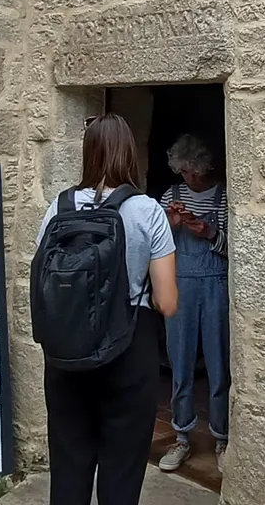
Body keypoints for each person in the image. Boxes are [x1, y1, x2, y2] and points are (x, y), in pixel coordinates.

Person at [35, 114, 178, 505]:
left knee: (68, 465)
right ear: (128, 153)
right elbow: (167, 302)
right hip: (128, 348)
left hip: (65, 354)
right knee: (122, 467)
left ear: (88, 153)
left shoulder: (58, 208)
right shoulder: (147, 211)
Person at [156, 134, 229, 474]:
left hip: (215, 283)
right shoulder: (170, 195)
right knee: (180, 363)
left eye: (194, 172)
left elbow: (234, 248)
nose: (189, 178)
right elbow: (154, 244)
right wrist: (171, 225)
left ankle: (222, 437)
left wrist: (210, 233)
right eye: (184, 172)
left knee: (219, 366)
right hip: (180, 284)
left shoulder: (224, 196)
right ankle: (181, 436)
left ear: (205, 167)